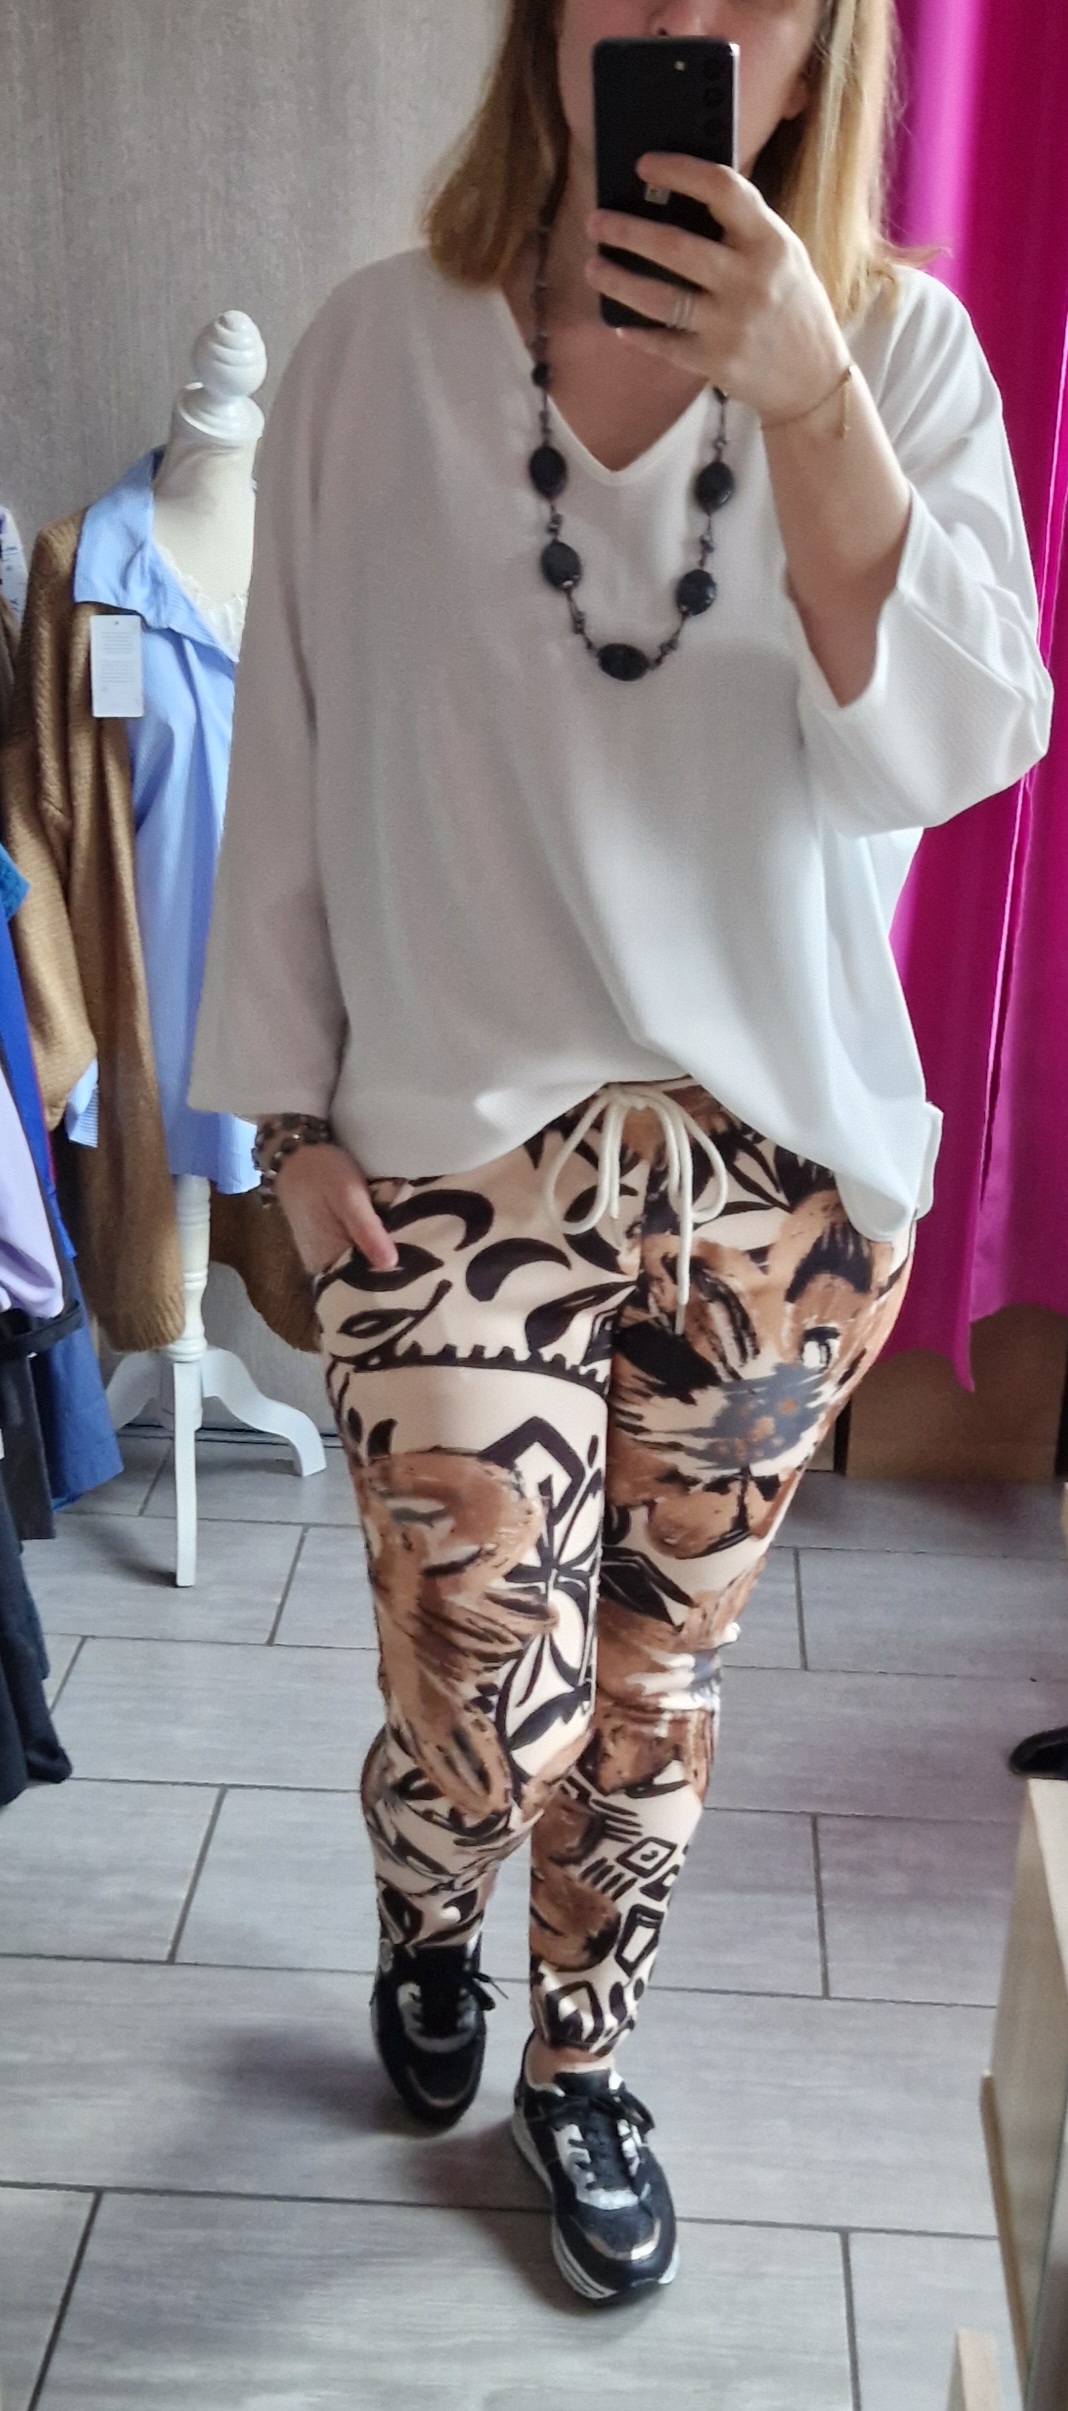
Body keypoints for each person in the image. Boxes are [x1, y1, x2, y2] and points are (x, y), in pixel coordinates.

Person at [190, 0, 1053, 2305]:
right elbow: (286, 742)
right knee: (491, 1681)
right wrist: (283, 1118)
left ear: (824, 48)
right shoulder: (379, 357)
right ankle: (429, 1877)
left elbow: (955, 745)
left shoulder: (898, 357)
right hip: (450, 1155)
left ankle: (580, 2063)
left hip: (773, 1180)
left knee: (655, 1692)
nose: (681, 17)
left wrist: (810, 398)